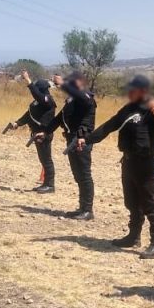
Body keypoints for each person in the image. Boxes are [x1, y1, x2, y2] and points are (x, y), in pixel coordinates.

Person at [82, 74, 154, 259]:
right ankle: (133, 236)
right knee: (132, 202)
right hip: (128, 162)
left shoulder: (152, 109)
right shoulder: (128, 109)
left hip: (146, 164)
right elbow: (109, 126)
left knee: (150, 203)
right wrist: (87, 139)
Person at [3, 70, 58, 194]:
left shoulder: (48, 100)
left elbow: (38, 95)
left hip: (44, 134)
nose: (36, 91)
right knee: (42, 159)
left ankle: (50, 185)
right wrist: (17, 123)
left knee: (46, 160)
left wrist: (28, 80)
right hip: (36, 134)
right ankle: (45, 184)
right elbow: (29, 115)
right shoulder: (37, 102)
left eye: (37, 89)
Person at [52, 71, 97, 220]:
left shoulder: (86, 96)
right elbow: (59, 118)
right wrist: (45, 131)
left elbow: (85, 104)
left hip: (81, 140)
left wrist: (63, 84)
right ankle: (82, 207)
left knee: (84, 175)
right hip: (71, 139)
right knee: (78, 175)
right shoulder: (72, 99)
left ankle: (88, 210)